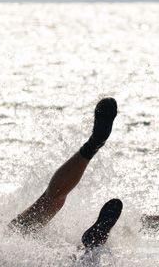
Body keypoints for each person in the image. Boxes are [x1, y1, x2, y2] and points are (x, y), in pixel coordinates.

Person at [9, 98, 123, 253]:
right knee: (49, 201)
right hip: (14, 248)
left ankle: (92, 246)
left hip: (18, 255)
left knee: (47, 206)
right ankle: (93, 144)